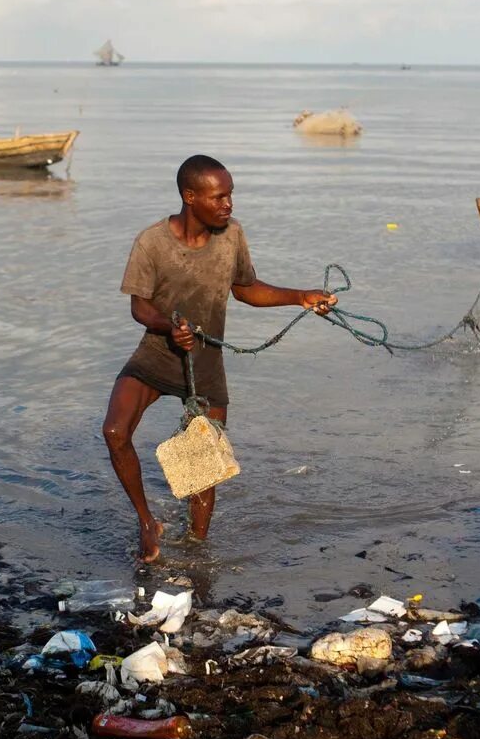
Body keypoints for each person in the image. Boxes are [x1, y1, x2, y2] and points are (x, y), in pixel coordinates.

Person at [102, 155, 337, 561]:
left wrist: (301, 296)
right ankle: (146, 522)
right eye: (219, 197)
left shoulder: (231, 236)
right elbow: (139, 306)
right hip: (157, 354)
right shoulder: (152, 242)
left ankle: (197, 551)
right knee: (114, 432)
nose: (228, 204)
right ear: (189, 197)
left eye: (230, 195)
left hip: (206, 364)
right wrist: (167, 324)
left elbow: (245, 289)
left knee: (203, 467)